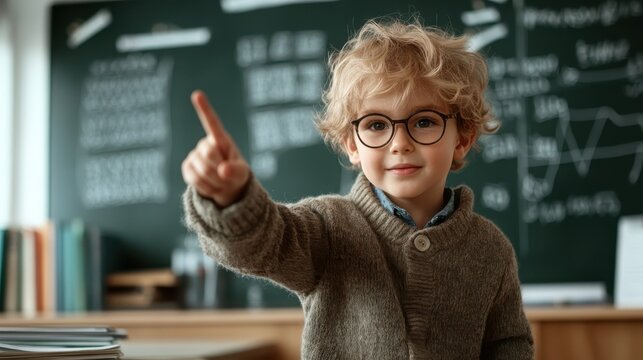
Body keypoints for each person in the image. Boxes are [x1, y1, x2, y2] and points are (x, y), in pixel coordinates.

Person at [182, 16, 534, 359]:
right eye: (377, 124)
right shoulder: (328, 228)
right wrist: (232, 198)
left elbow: (509, 345)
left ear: (463, 138)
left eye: (424, 121)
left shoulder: (491, 250)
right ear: (352, 144)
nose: (400, 143)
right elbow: (263, 245)